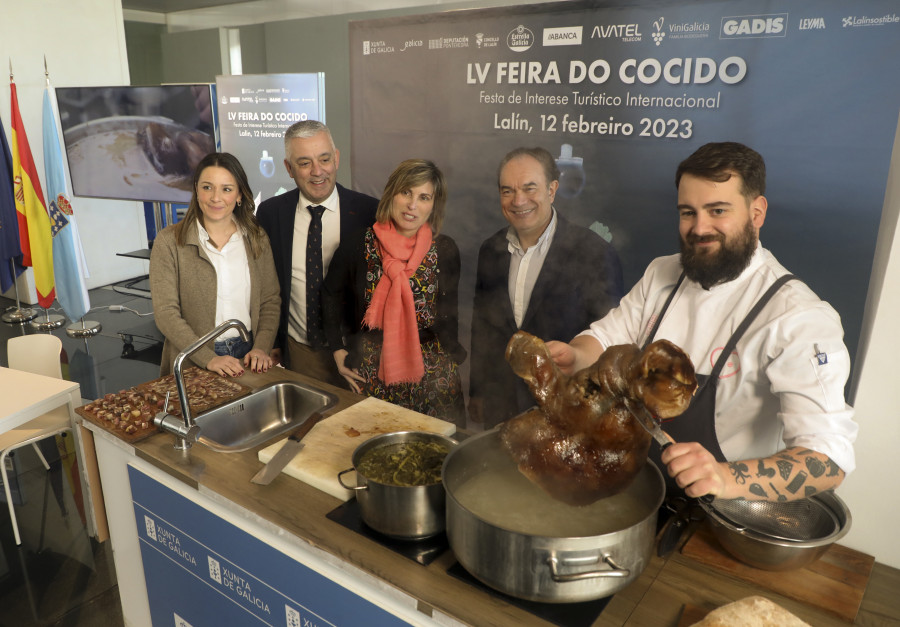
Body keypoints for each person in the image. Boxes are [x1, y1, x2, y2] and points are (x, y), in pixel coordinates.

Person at [548, 142, 858, 501]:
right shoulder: (662, 273)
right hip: (639, 484)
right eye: (687, 212)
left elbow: (828, 459)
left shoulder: (797, 316)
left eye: (717, 210)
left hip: (723, 512)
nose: (699, 228)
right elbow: (606, 338)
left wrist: (723, 478)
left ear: (757, 213)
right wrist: (574, 356)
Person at [469, 146, 624, 429]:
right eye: (507, 191)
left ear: (552, 190)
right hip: (499, 406)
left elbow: (612, 342)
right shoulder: (490, 249)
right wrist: (478, 392)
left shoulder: (594, 252)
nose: (518, 201)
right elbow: (482, 327)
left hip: (566, 410)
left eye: (530, 188)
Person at [322, 159, 467, 425]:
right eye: (406, 193)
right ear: (392, 194)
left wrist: (450, 361)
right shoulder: (360, 243)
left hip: (433, 375)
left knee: (436, 453)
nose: (413, 205)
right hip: (372, 370)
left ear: (434, 205)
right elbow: (330, 294)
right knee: (376, 449)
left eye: (424, 197)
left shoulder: (444, 250)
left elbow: (450, 314)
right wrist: (337, 349)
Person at [256, 120, 377, 386]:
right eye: (304, 163)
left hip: (358, 352)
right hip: (300, 350)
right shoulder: (270, 213)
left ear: (336, 158)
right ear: (289, 168)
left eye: (324, 159)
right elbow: (265, 285)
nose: (317, 171)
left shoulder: (371, 213)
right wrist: (273, 341)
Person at [150, 152, 281, 377]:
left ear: (239, 195)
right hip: (193, 355)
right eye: (207, 187)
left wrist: (262, 346)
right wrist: (207, 358)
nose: (215, 198)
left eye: (227, 189)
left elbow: (270, 300)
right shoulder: (169, 241)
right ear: (196, 190)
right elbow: (166, 313)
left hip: (248, 353)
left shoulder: (256, 238)